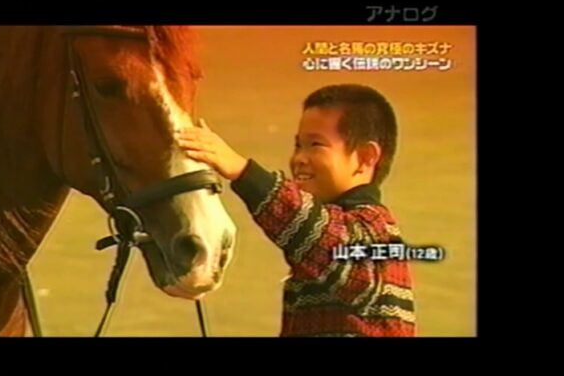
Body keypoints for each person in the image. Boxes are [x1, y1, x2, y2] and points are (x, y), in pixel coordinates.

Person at [174, 84, 415, 337]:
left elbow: (336, 250)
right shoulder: (322, 237)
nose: (299, 158)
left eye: (315, 144)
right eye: (298, 145)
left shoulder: (377, 229)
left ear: (366, 157)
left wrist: (244, 173)